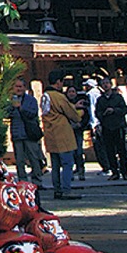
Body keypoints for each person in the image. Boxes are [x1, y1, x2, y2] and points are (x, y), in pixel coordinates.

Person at [41, 70, 83, 201]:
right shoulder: (58, 97)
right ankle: (66, 190)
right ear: (58, 82)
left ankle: (57, 190)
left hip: (50, 134)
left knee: (55, 165)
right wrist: (79, 113)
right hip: (62, 134)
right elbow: (72, 114)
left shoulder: (45, 96)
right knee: (67, 164)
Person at [8, 76, 46, 185]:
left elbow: (32, 114)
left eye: (20, 86)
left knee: (33, 158)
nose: (18, 89)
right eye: (16, 87)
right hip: (17, 134)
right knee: (19, 160)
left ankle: (37, 181)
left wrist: (20, 108)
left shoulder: (31, 100)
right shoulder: (11, 101)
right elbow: (7, 115)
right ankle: (22, 181)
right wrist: (11, 107)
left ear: (25, 88)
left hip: (29, 133)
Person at [96, 76, 127, 180]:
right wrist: (104, 114)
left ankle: (125, 172)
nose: (106, 85)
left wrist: (114, 110)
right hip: (107, 126)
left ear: (111, 84)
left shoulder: (118, 97)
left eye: (107, 83)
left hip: (118, 126)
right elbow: (97, 113)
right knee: (109, 151)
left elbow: (125, 109)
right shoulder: (100, 99)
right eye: (103, 84)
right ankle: (114, 172)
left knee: (122, 150)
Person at [66, 84, 91, 181]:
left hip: (78, 131)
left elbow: (86, 117)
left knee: (79, 152)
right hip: (68, 130)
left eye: (73, 92)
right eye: (70, 92)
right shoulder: (65, 103)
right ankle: (70, 172)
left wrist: (81, 124)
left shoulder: (82, 103)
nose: (71, 94)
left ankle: (81, 171)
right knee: (69, 152)